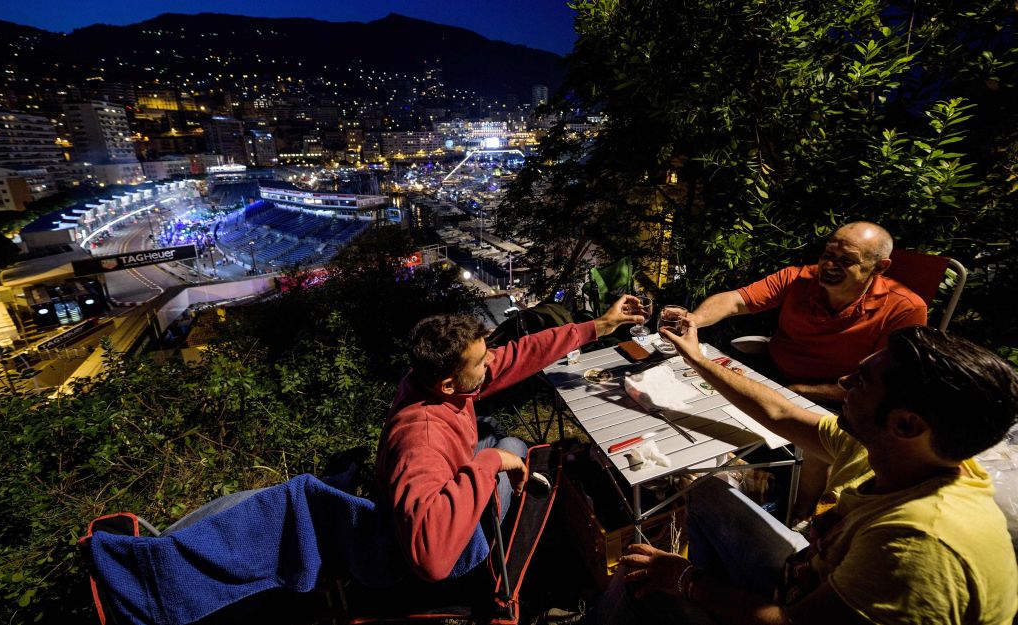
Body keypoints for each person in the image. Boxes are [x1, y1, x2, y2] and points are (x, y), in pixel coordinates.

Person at [600, 321, 1018, 625]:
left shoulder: (917, 545)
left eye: (861, 381)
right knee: (709, 492)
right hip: (810, 576)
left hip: (796, 611)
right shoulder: (892, 449)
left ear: (907, 424)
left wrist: (687, 580)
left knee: (634, 586)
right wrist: (696, 356)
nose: (843, 380)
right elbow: (778, 412)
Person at [376, 295, 645, 582]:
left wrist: (599, 326)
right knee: (511, 447)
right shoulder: (421, 439)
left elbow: (521, 353)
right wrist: (491, 462)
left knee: (488, 427)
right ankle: (493, 552)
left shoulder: (431, 383)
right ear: (449, 385)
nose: (490, 361)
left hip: (446, 477)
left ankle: (505, 489)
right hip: (454, 551)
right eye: (481, 362)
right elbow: (431, 560)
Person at [687, 222, 926, 405]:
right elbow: (735, 301)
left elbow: (881, 383)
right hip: (772, 374)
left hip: (835, 399)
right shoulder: (799, 278)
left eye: (846, 261)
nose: (830, 266)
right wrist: (694, 320)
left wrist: (797, 391)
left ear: (880, 267)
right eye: (828, 255)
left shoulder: (903, 309)